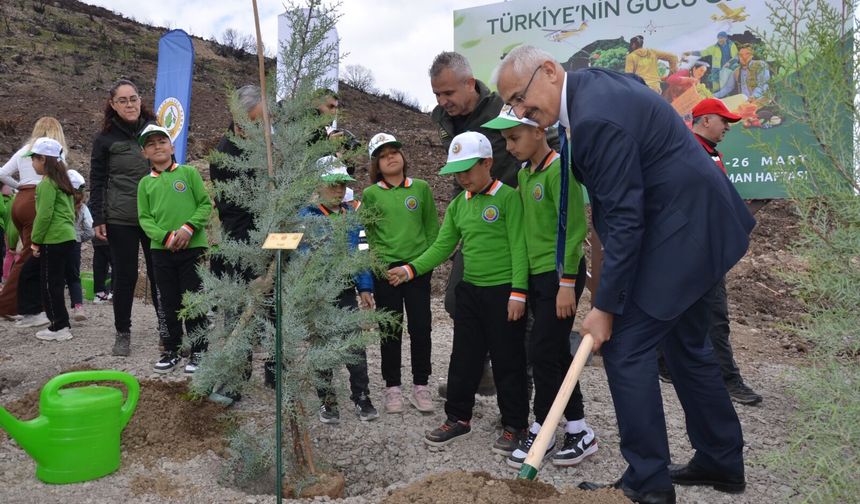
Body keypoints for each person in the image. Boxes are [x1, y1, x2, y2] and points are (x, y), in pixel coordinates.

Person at [496, 46, 755, 503]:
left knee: (626, 348)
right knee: (687, 345)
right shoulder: (592, 87)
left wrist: (605, 305)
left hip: (682, 231)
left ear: (550, 72)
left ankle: (647, 483)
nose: (520, 111)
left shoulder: (593, 120)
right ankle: (721, 458)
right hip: (697, 222)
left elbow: (625, 216)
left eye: (520, 97)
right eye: (512, 106)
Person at [388, 131, 529, 452]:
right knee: (463, 359)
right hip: (470, 293)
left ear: (488, 163)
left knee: (509, 361)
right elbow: (442, 246)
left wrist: (519, 292)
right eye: (457, 171)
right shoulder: (457, 206)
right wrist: (410, 269)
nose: (462, 177)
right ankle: (458, 418)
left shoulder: (508, 198)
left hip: (503, 292)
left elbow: (520, 247)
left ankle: (515, 425)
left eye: (468, 169)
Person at [481, 107, 598, 468]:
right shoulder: (525, 174)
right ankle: (578, 429)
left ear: (538, 132)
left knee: (544, 351)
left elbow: (575, 227)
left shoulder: (559, 170)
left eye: (514, 137)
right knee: (554, 352)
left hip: (559, 274)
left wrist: (566, 283)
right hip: (536, 274)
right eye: (505, 140)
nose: (509, 145)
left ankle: (542, 428)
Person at [429, 50, 522, 397]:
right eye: (437, 94)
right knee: (457, 299)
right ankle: (480, 372)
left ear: (470, 83)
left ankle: (517, 382)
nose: (442, 101)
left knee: (513, 305)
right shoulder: (443, 118)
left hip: (509, 217)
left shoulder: (503, 110)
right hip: (470, 215)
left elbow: (543, 142)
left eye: (448, 93)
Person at [659, 98, 760, 405]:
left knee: (684, 310)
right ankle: (727, 379)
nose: (728, 126)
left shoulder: (708, 153)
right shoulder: (690, 153)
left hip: (702, 249)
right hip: (697, 251)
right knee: (715, 317)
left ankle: (665, 364)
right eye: (723, 120)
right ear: (704, 121)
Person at [361, 133, 439, 414]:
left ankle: (421, 384)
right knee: (390, 330)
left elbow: (432, 230)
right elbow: (367, 235)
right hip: (387, 272)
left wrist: (423, 265)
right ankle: (392, 387)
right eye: (383, 155)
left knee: (421, 327)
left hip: (417, 269)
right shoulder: (370, 195)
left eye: (394, 152)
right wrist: (380, 269)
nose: (390, 157)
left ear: (403, 157)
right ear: (376, 165)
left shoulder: (420, 188)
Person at [89, 78, 165, 356]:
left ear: (139, 100)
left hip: (156, 215)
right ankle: (122, 333)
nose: (130, 104)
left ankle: (166, 331)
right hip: (121, 217)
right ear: (112, 104)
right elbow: (97, 180)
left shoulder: (154, 131)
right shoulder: (105, 140)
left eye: (133, 98)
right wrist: (98, 217)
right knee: (125, 276)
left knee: (160, 274)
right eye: (123, 100)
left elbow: (169, 168)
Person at [301, 156, 378, 424]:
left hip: (346, 292)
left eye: (343, 184)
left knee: (354, 344)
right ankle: (327, 399)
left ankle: (361, 395)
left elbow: (362, 254)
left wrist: (365, 287)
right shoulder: (305, 216)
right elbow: (298, 255)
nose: (338, 189)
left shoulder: (352, 216)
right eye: (332, 184)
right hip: (318, 294)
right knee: (321, 344)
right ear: (318, 185)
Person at [136, 125, 212, 374]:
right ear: (145, 153)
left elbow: (204, 204)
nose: (157, 146)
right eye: (151, 144)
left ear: (172, 146)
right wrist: (165, 236)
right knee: (167, 301)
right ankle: (171, 349)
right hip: (161, 250)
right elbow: (145, 218)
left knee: (194, 300)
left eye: (161, 141)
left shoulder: (188, 173)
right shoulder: (145, 184)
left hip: (192, 248)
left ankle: (199, 350)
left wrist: (188, 228)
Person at [0, 117, 68, 321]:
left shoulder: (24, 151)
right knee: (32, 256)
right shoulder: (56, 156)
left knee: (28, 256)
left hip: (19, 201)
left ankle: (28, 305)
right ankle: (9, 305)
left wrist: (19, 186)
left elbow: (2, 173)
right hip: (35, 202)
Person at [23, 138, 77, 341]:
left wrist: (35, 241)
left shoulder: (46, 184)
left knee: (49, 283)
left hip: (53, 239)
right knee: (55, 281)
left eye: (34, 159)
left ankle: (59, 326)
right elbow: (70, 212)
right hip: (67, 236)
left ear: (43, 159)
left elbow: (44, 215)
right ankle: (61, 322)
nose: (32, 164)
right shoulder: (63, 182)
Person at [64, 170, 93, 322]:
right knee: (74, 276)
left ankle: (53, 309)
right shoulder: (83, 208)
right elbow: (90, 230)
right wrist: (80, 238)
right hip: (75, 243)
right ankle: (78, 307)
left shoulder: (61, 203)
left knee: (56, 277)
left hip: (58, 241)